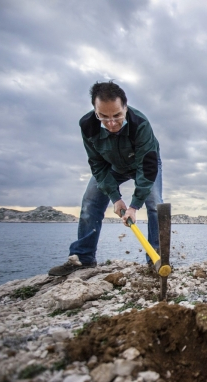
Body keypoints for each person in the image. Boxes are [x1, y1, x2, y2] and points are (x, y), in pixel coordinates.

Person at [48, 81, 163, 276]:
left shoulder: (140, 124)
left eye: (117, 115)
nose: (111, 123)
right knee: (90, 201)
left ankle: (156, 260)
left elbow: (148, 167)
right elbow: (97, 164)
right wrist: (115, 198)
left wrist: (133, 207)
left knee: (155, 204)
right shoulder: (87, 125)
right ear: (95, 111)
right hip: (111, 166)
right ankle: (83, 259)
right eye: (103, 117)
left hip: (142, 165)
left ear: (125, 108)